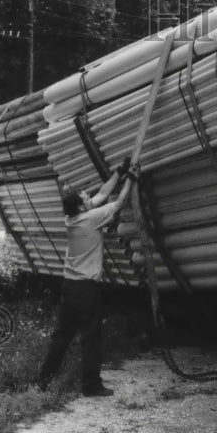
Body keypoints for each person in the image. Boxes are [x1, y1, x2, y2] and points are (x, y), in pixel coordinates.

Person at [37, 158, 137, 397]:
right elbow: (119, 201)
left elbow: (102, 195)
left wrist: (118, 173)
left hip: (69, 287)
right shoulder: (91, 220)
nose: (86, 195)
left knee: (61, 336)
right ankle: (91, 385)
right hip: (86, 289)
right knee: (90, 337)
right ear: (83, 208)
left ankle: (43, 380)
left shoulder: (72, 218)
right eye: (84, 197)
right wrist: (131, 180)